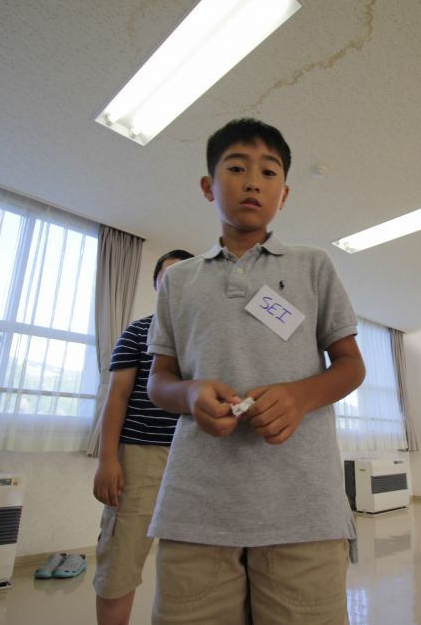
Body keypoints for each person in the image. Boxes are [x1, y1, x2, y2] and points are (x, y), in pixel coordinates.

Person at [146, 118, 365, 625]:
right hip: (195, 508)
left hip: (303, 507)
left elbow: (351, 366)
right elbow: (159, 381)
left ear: (283, 195)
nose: (252, 182)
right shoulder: (177, 281)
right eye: (237, 168)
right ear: (208, 186)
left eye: (268, 172)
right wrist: (191, 392)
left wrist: (301, 397)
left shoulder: (314, 266)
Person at [92, 248, 194, 625]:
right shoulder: (137, 331)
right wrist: (107, 458)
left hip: (195, 458)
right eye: (167, 276)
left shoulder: (207, 337)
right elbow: (116, 395)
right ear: (156, 285)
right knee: (121, 558)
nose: (175, 284)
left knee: (192, 566)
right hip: (141, 455)